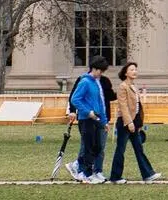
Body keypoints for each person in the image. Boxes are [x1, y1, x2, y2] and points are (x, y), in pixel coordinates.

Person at [109, 61, 161, 184]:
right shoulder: (123, 86)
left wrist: (137, 122)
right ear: (126, 73)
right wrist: (129, 122)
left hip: (134, 123)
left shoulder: (133, 86)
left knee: (139, 148)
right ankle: (115, 177)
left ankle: (148, 174)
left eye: (135, 69)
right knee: (120, 150)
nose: (134, 71)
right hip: (125, 123)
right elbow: (123, 106)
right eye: (132, 69)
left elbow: (136, 106)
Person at [66, 56, 108, 184]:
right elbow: (75, 99)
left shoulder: (96, 83)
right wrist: (87, 112)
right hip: (86, 119)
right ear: (94, 69)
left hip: (96, 119)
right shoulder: (84, 82)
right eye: (100, 71)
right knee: (88, 147)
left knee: (96, 147)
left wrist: (104, 121)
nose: (101, 73)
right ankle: (84, 172)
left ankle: (80, 167)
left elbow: (100, 103)